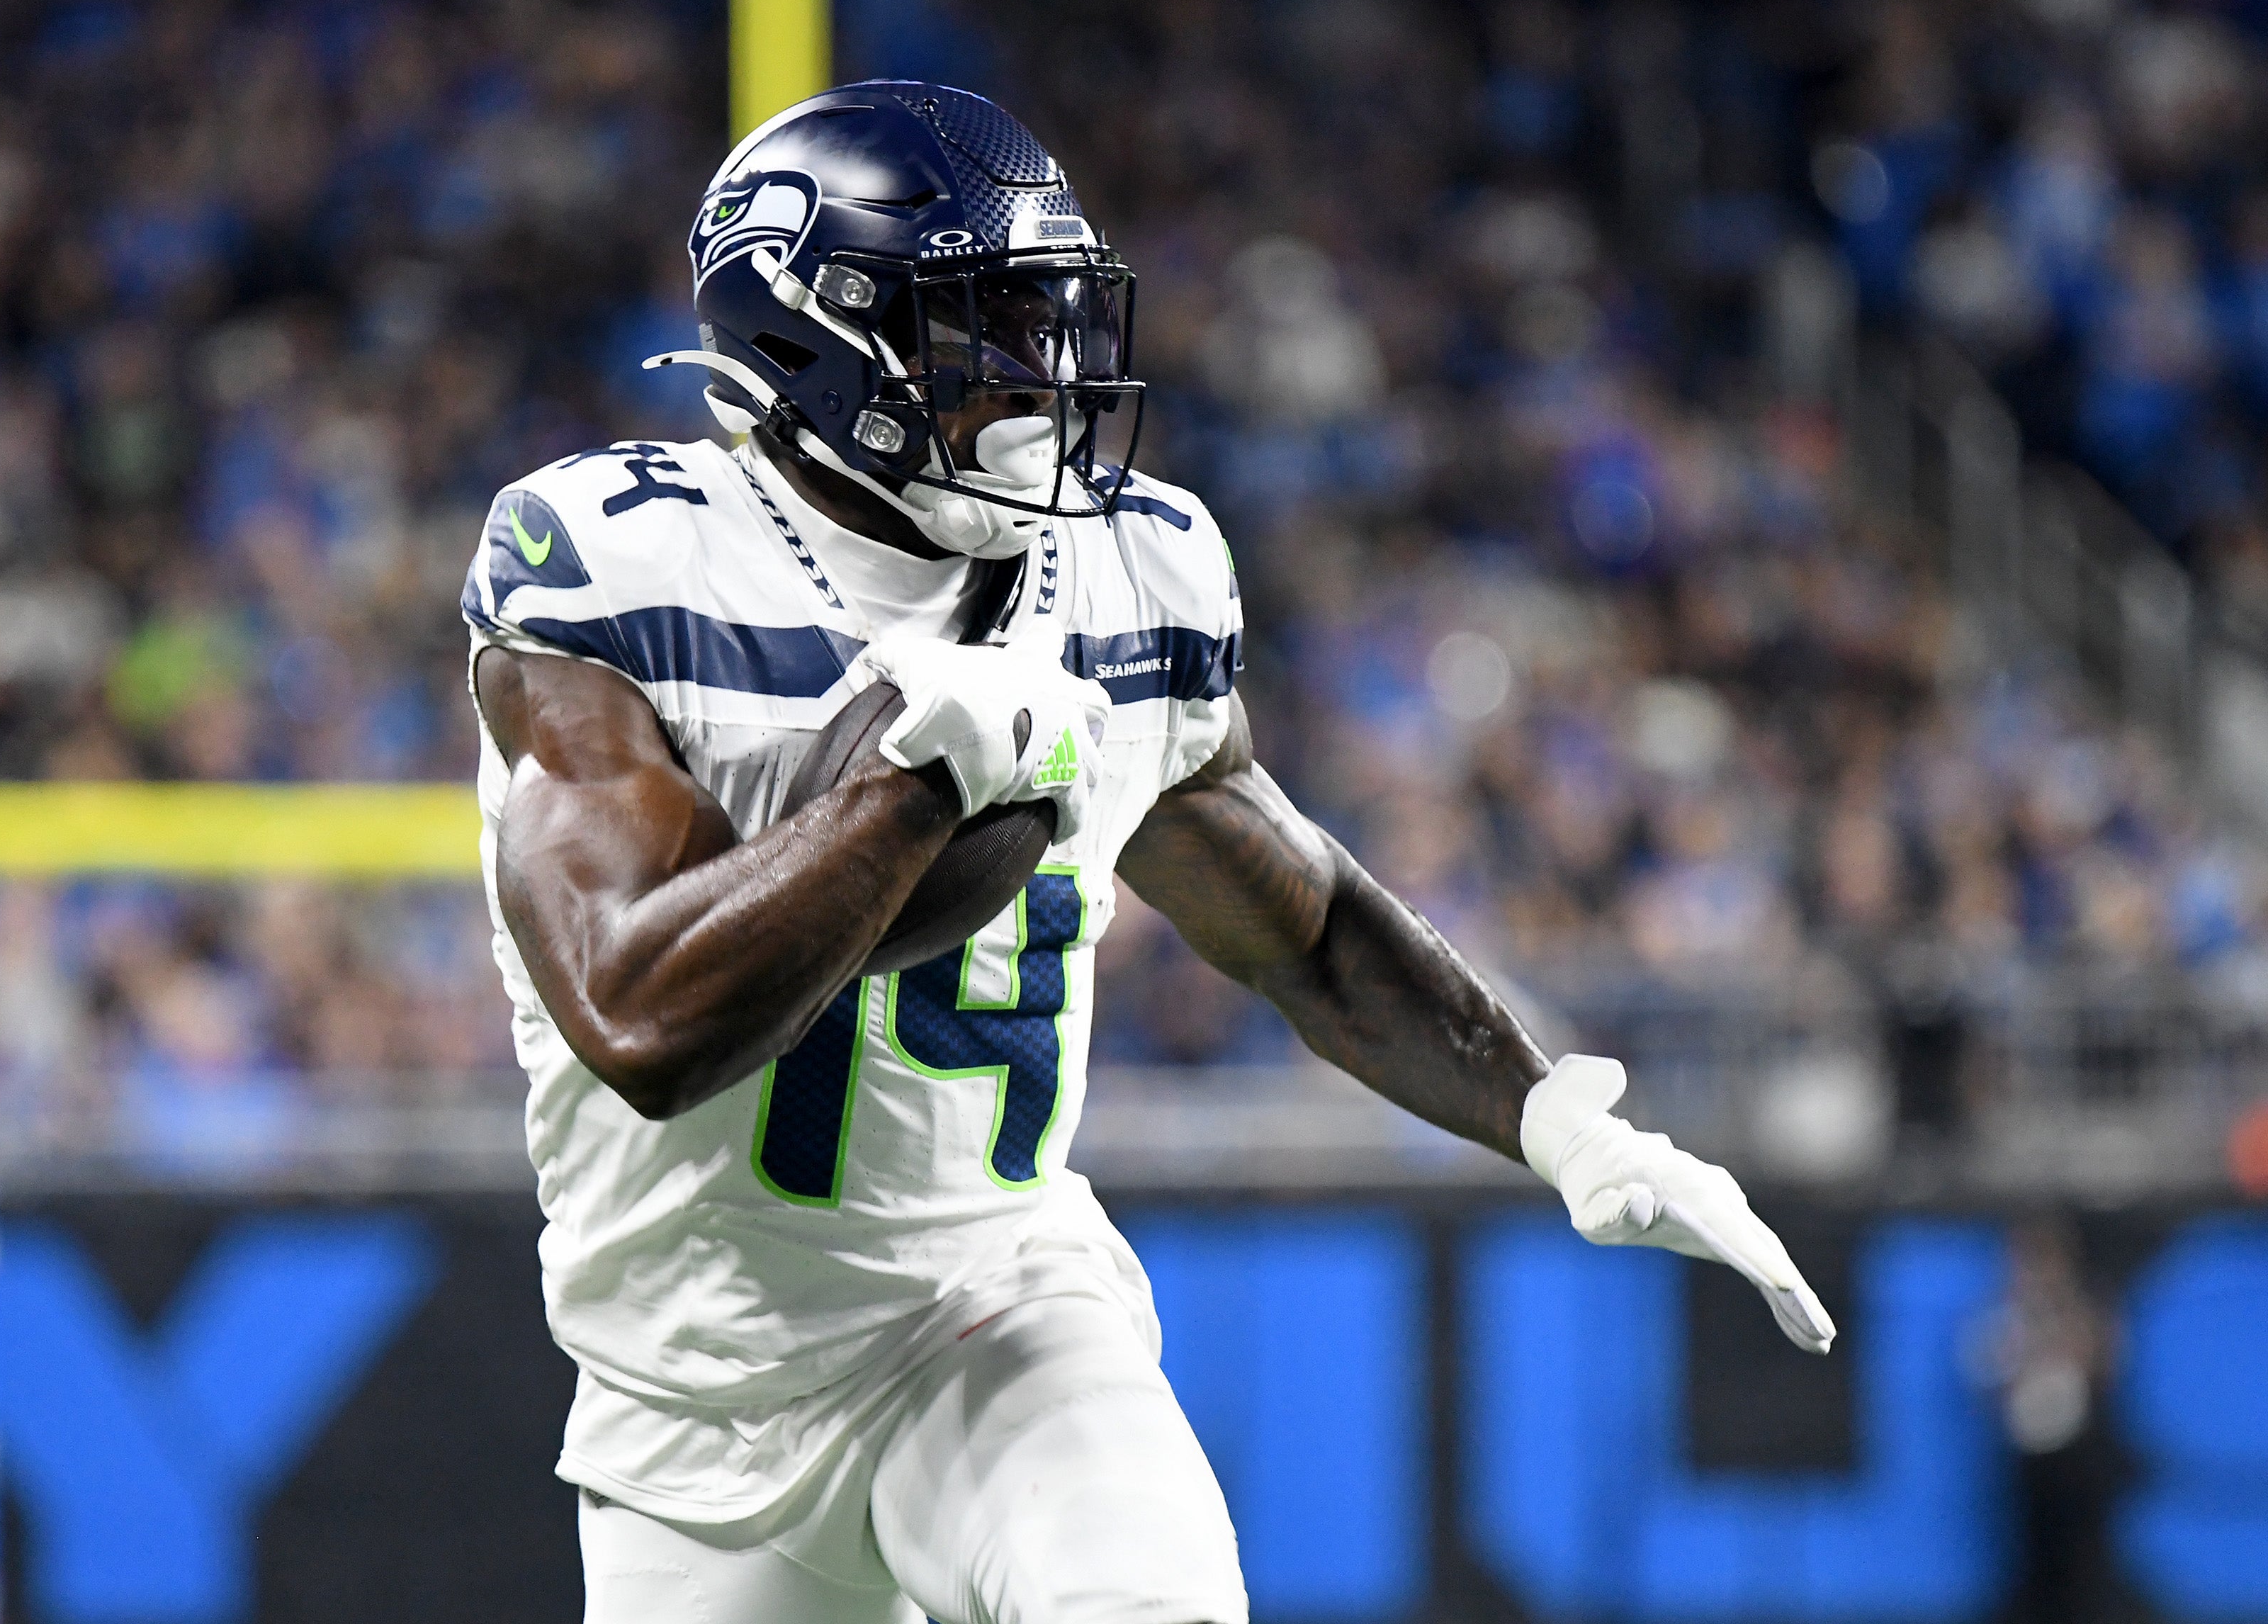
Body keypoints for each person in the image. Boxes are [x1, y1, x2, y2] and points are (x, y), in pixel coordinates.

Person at [463, 81, 1835, 1624]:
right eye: (977, 327)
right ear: (810, 333)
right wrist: (920, 787)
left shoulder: (1132, 568)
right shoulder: (618, 568)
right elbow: (646, 1022)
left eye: (1052, 322)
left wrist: (1562, 1122)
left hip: (990, 1311)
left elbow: (1300, 922)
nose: (1040, 379)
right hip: (686, 1400)